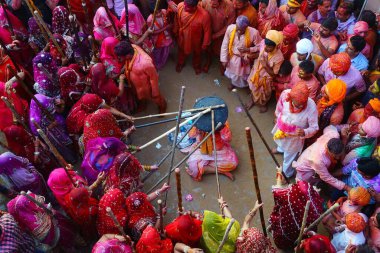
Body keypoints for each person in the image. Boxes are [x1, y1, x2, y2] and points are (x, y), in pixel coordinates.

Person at [272, 82, 319, 178]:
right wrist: (277, 116)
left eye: (301, 105)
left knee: (289, 157)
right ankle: (280, 149)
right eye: (295, 104)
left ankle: (286, 174)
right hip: (282, 128)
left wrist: (304, 132)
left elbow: (314, 128)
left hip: (295, 138)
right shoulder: (286, 94)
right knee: (280, 141)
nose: (297, 107)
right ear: (290, 98)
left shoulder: (312, 107)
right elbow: (279, 107)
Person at [114, 40, 167, 113]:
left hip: (146, 87)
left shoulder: (146, 63)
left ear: (127, 55)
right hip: (136, 85)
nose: (119, 59)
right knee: (140, 96)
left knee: (157, 99)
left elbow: (153, 78)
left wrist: (155, 92)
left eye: (120, 57)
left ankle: (162, 107)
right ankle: (143, 105)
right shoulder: (132, 47)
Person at [294, 127, 351, 191]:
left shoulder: (334, 134)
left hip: (312, 158)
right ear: (327, 149)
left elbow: (329, 127)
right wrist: (346, 187)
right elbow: (327, 177)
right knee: (304, 186)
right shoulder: (318, 160)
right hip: (305, 170)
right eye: (335, 156)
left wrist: (345, 127)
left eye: (339, 155)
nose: (338, 158)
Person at [29, 94, 77, 164]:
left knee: (68, 140)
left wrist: (62, 103)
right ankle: (71, 159)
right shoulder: (35, 119)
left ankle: (75, 153)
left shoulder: (48, 101)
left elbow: (57, 109)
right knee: (61, 146)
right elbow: (39, 133)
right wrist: (52, 125)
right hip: (52, 135)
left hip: (59, 127)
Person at [220, 15, 262, 90]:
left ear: (246, 28)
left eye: (241, 30)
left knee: (242, 76)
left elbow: (261, 46)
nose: (238, 32)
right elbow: (225, 44)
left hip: (244, 59)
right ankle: (233, 83)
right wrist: (224, 59)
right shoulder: (230, 28)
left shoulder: (254, 33)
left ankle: (244, 86)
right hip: (232, 56)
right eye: (237, 29)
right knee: (232, 73)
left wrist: (248, 49)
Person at [247, 29, 284, 112]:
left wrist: (265, 65)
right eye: (266, 45)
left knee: (264, 93)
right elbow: (259, 53)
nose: (266, 48)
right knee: (253, 87)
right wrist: (251, 55)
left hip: (266, 79)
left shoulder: (279, 57)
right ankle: (252, 100)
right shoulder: (263, 43)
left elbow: (274, 74)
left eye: (269, 47)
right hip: (256, 72)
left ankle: (262, 104)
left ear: (276, 46)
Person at [174, 0, 212, 74]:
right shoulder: (180, 6)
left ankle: (196, 65)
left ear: (195, 7)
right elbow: (176, 19)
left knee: (197, 52)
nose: (185, 7)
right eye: (185, 5)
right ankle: (181, 62)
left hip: (196, 39)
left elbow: (207, 31)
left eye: (188, 7)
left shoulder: (204, 15)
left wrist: (205, 44)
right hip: (183, 36)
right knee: (181, 50)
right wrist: (175, 30)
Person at [202, 0, 235, 73]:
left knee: (222, 51)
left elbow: (229, 26)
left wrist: (216, 35)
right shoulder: (205, 2)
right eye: (211, 0)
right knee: (208, 49)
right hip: (209, 32)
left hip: (223, 35)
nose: (211, 3)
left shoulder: (229, 7)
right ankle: (208, 61)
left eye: (214, 2)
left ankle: (222, 64)